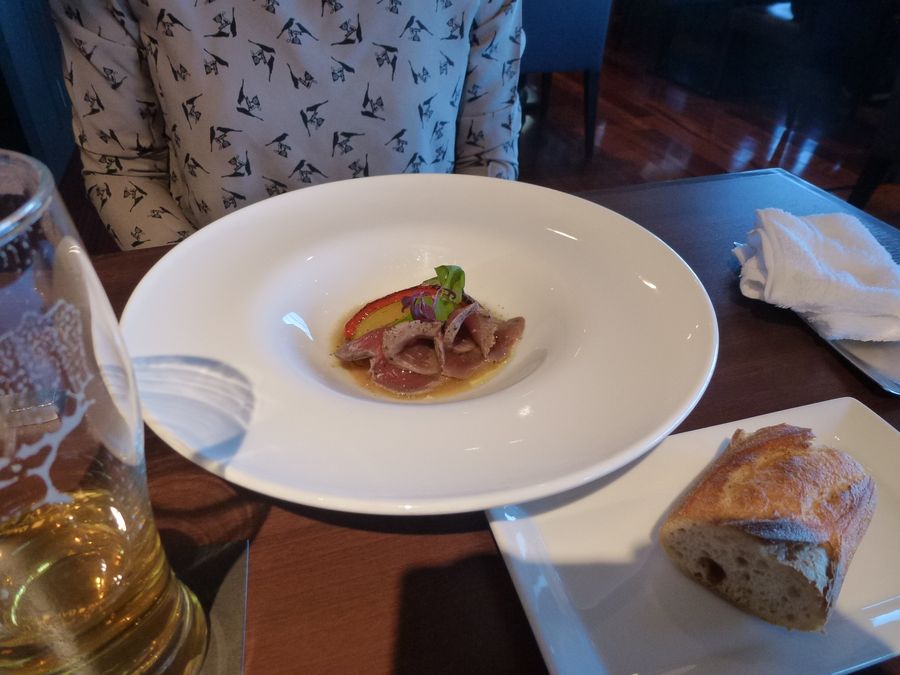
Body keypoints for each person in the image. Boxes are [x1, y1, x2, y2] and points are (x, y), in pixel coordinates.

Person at [49, 0, 524, 249]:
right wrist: (202, 293)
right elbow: (122, 165)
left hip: (421, 284)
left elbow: (486, 154)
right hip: (221, 288)